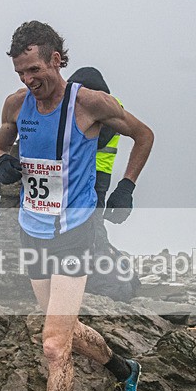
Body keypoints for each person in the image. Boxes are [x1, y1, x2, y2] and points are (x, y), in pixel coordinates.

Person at [0, 21, 154, 391]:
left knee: (54, 347)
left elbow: (143, 134)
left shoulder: (89, 104)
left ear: (57, 58)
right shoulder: (17, 105)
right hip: (32, 234)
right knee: (62, 329)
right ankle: (125, 371)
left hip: (75, 236)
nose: (28, 80)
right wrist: (0, 160)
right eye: (21, 72)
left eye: (35, 70)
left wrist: (127, 187)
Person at [68, 67, 122, 254]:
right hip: (83, 174)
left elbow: (96, 140)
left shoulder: (109, 107)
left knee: (93, 227)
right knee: (85, 227)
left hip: (96, 176)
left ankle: (113, 274)